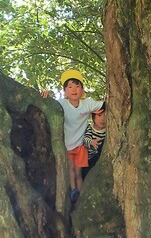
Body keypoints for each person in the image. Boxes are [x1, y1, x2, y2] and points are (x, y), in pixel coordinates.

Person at [41, 69, 103, 203]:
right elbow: (47, 103)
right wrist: (45, 96)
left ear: (82, 89)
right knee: (70, 170)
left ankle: (80, 196)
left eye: (77, 86)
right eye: (70, 87)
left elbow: (104, 104)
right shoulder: (61, 104)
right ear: (65, 91)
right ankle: (73, 190)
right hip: (66, 146)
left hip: (80, 146)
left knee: (78, 172)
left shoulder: (87, 104)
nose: (74, 89)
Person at [82, 101, 106, 176]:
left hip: (100, 159)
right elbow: (84, 140)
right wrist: (91, 142)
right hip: (88, 160)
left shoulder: (108, 131)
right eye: (99, 115)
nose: (103, 119)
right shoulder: (90, 128)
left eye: (105, 116)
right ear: (93, 117)